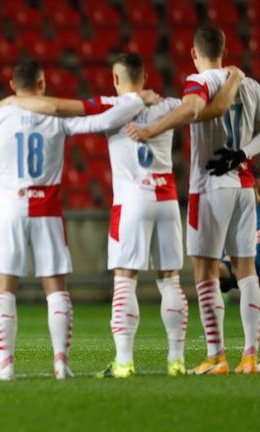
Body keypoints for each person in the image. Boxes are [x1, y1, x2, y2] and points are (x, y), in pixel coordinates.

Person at [0, 53, 243, 378]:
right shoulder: (170, 104)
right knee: (169, 280)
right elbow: (214, 109)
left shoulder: (109, 107)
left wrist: (12, 101)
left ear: (116, 80)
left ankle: (125, 361)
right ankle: (176, 360)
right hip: (167, 201)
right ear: (144, 76)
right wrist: (233, 80)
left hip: (131, 203)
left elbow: (57, 107)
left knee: (125, 281)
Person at [0, 60, 148, 380]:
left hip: (8, 211)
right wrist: (137, 101)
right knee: (56, 289)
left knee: (4, 290)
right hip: (47, 211)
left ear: (12, 87)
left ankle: (5, 366)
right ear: (42, 85)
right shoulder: (55, 119)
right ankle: (61, 362)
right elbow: (101, 121)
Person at [127, 25, 260, 375]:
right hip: (245, 185)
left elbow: (192, 110)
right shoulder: (250, 85)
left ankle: (216, 356)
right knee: (246, 270)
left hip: (210, 185)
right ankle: (251, 356)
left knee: (204, 272)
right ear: (225, 48)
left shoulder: (199, 81)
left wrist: (152, 130)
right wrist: (243, 153)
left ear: (194, 53)